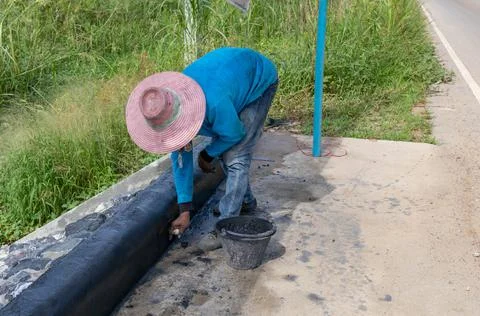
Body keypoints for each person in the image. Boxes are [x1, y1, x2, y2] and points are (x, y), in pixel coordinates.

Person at [125, 47, 278, 251]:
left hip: (257, 79)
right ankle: (246, 202)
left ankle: (227, 225)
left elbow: (234, 134)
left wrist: (207, 154)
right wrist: (185, 210)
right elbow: (180, 158)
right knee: (226, 149)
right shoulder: (171, 103)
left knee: (235, 155)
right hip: (228, 83)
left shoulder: (213, 103)